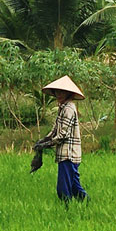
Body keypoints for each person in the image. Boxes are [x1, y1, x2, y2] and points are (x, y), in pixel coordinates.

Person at [33, 75, 88, 205]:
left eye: (62, 92)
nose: (59, 94)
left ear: (68, 93)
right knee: (75, 187)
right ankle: (86, 205)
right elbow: (55, 129)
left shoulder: (69, 109)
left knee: (63, 190)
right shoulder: (63, 108)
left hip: (68, 155)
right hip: (68, 155)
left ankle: (67, 209)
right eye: (57, 92)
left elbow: (63, 134)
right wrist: (45, 139)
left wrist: (48, 144)